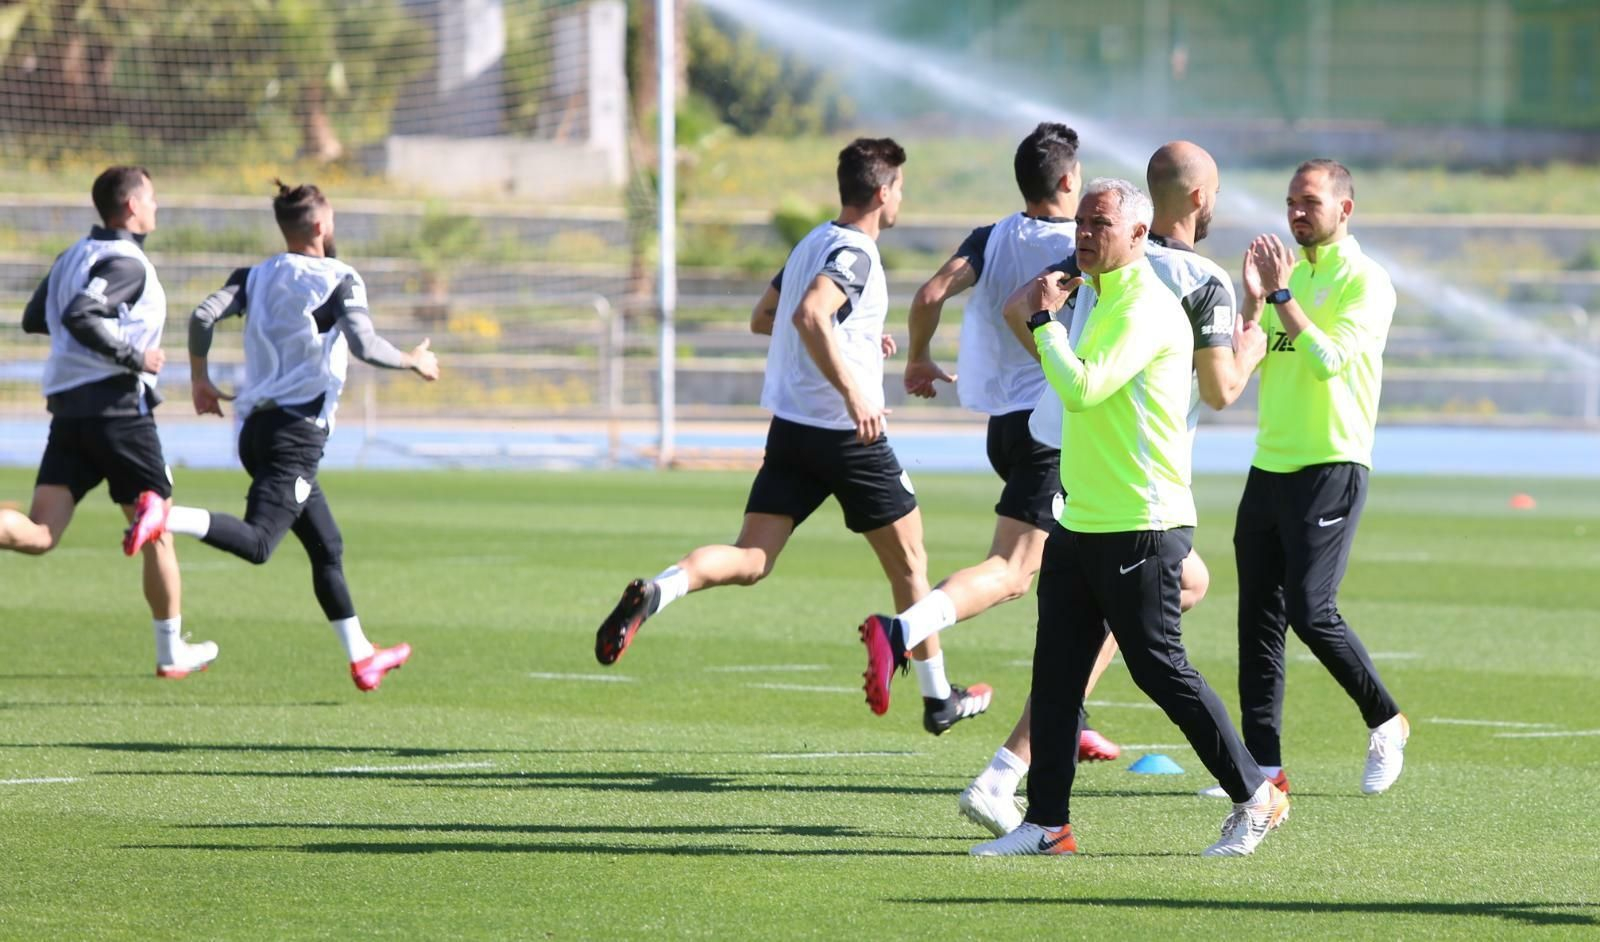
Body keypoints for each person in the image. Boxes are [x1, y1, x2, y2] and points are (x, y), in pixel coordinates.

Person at [926, 141, 1271, 837]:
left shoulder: (1147, 302)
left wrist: (1052, 336)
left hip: (1140, 517)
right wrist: (1056, 343)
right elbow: (1069, 364)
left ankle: (1256, 796)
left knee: (1162, 672)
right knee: (1055, 675)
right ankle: (1045, 825)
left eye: (1098, 227)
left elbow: (1079, 382)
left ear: (1139, 232)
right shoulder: (1096, 285)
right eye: (1080, 224)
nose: (1082, 236)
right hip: (1082, 513)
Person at [594, 138, 990, 732]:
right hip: (847, 436)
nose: (902, 197)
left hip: (792, 434)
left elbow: (764, 316)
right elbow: (808, 315)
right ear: (883, 193)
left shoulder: (812, 242)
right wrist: (856, 389)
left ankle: (658, 591)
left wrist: (854, 338)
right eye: (901, 188)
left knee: (752, 557)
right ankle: (938, 698)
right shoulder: (857, 252)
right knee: (911, 564)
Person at [857, 122, 1113, 739]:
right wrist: (1057, 361)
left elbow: (931, 291)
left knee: (1081, 572)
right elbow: (1028, 308)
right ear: (1070, 181)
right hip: (1048, 430)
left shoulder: (992, 236)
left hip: (1003, 427)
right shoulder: (1081, 249)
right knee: (1012, 569)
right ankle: (903, 631)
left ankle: (1069, 715)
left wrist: (918, 358)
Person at [136, 180, 438, 692]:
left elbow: (203, 314)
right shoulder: (340, 277)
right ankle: (165, 514)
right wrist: (412, 360)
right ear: (320, 225)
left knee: (327, 546)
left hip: (255, 431)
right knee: (259, 543)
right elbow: (363, 344)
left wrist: (200, 378)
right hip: (295, 436)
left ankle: (362, 655)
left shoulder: (254, 275)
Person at [1224, 158, 1407, 796]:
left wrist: (1280, 297)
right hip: (1268, 465)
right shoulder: (1289, 278)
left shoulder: (1367, 281)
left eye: (1309, 202)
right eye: (1290, 202)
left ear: (1344, 210)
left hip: (1332, 463)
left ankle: (1385, 719)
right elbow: (1251, 364)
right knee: (1258, 621)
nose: (1296, 213)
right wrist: (1253, 300)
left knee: (1310, 608)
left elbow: (1328, 360)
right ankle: (1263, 768)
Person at [2, 166, 217, 678]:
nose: (157, 207)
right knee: (156, 527)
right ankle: (171, 652)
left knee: (40, 534)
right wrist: (133, 357)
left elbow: (39, 317)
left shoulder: (73, 255)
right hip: (119, 413)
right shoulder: (127, 264)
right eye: (152, 198)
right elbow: (81, 314)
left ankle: (172, 651)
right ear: (130, 207)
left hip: (70, 414)